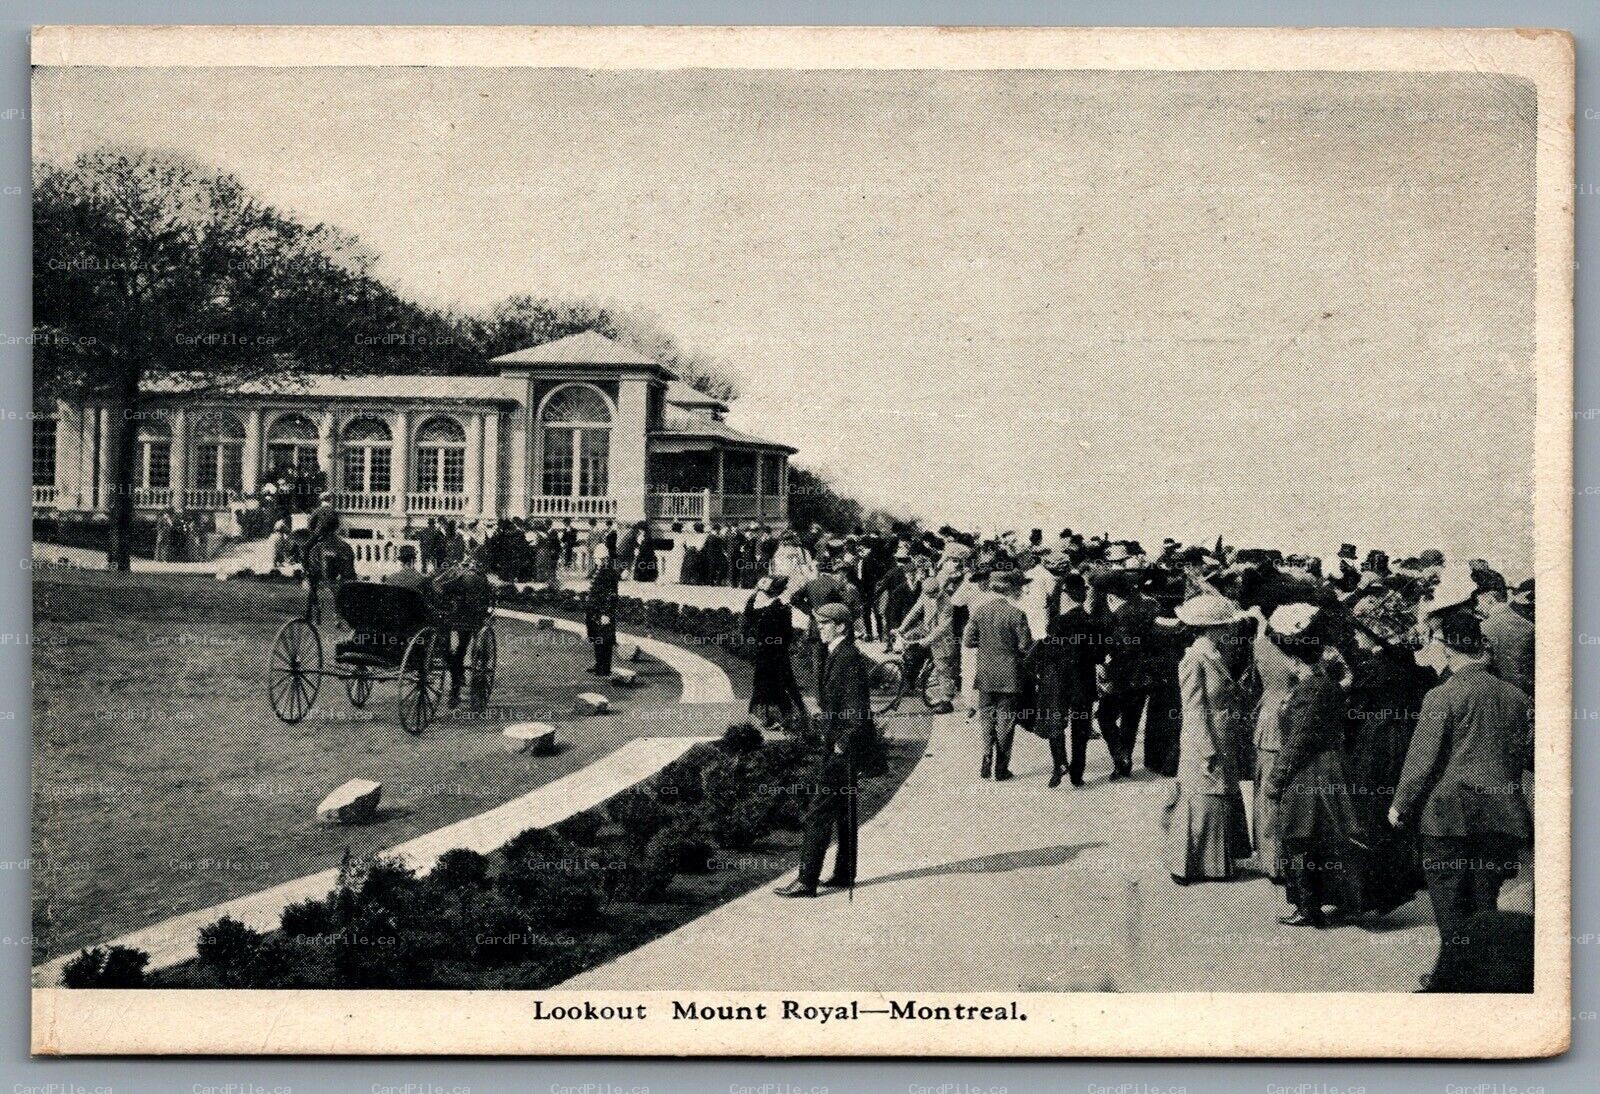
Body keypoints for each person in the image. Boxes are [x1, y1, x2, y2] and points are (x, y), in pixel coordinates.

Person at [1391, 607, 1532, 981]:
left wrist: (1400, 804)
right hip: (1502, 812)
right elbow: (1523, 754)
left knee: (1449, 899)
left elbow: (1422, 760)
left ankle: (1452, 975)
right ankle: (1485, 972)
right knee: (1485, 899)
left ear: (1448, 649)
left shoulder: (1441, 697)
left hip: (1448, 814)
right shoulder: (1516, 697)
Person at [1263, 604, 1370, 927]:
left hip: (1309, 773)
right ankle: (1318, 902)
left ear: (1294, 657)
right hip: (1328, 767)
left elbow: (1299, 741)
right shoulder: (1326, 682)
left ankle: (1307, 907)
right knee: (1318, 837)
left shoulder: (1311, 690)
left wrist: (1277, 779)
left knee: (1300, 838)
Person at [775, 602, 875, 898]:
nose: (820, 628)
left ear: (841, 626)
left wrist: (841, 743)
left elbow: (858, 711)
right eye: (819, 623)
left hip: (842, 748)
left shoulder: (847, 657)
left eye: (825, 623)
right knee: (844, 810)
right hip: (842, 744)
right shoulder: (839, 653)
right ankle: (845, 872)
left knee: (818, 813)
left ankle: (807, 880)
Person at [1163, 595, 1252, 883]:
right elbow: (1193, 708)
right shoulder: (1195, 658)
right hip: (1204, 741)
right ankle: (1186, 865)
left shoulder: (1214, 653)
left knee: (1217, 798)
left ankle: (1213, 863)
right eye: (1224, 625)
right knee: (1202, 800)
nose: (1230, 630)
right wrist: (1206, 749)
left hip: (1222, 735)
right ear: (1209, 628)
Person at [1023, 571, 1100, 787]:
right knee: (1081, 726)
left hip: (1059, 680)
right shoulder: (1091, 623)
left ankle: (1059, 762)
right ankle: (1078, 773)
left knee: (1054, 721)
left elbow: (1051, 652)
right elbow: (1099, 654)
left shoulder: (1058, 623)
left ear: (1065, 595)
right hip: (1083, 681)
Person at [963, 569, 1034, 781]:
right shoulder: (1016, 614)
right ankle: (1001, 767)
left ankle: (986, 756)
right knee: (1006, 720)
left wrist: (985, 644)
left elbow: (968, 641)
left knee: (986, 716)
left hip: (985, 673)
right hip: (1009, 675)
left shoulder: (979, 611)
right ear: (1010, 589)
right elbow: (1025, 646)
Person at [1094, 569, 1160, 780]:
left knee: (1105, 717)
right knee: (1131, 721)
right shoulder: (1147, 606)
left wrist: (1105, 662)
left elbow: (1120, 646)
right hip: (1144, 675)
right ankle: (1124, 761)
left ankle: (1119, 756)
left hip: (1121, 673)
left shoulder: (1117, 615)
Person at [791, 558, 862, 699]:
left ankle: (819, 697)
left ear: (818, 569)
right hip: (836, 630)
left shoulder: (811, 584)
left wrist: (810, 611)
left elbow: (794, 599)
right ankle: (838, 695)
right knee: (838, 662)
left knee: (818, 664)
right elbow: (848, 606)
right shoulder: (838, 585)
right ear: (832, 570)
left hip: (816, 628)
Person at [432, 550, 494, 709]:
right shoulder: (480, 578)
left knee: (458, 646)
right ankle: (459, 680)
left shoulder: (453, 575)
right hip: (471, 617)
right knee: (464, 645)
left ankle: (456, 683)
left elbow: (441, 591)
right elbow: (487, 601)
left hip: (452, 616)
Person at [744, 575, 806, 726]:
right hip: (777, 652)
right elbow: (787, 633)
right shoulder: (781, 608)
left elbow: (748, 625)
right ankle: (788, 717)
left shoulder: (753, 602)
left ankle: (766, 716)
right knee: (782, 681)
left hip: (762, 650)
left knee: (764, 681)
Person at [894, 574, 958, 715]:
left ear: (938, 590)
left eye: (933, 594)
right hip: (927, 634)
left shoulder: (946, 601)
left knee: (942, 670)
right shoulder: (925, 595)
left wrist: (927, 640)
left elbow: (943, 627)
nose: (931, 597)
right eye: (928, 594)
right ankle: (910, 682)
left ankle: (947, 702)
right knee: (912, 653)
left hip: (942, 639)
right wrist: (902, 628)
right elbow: (915, 611)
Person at [1474, 569, 1535, 699]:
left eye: (1477, 602)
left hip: (1495, 700)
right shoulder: (1530, 627)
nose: (1476, 608)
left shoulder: (1481, 629)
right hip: (1526, 699)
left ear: (1490, 599)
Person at [585, 552, 620, 676]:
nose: (597, 560)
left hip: (603, 612)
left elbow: (612, 595)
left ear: (604, 558)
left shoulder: (608, 572)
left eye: (599, 558)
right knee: (597, 638)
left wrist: (606, 613)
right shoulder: (599, 570)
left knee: (604, 640)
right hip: (595, 611)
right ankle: (599, 664)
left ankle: (604, 668)